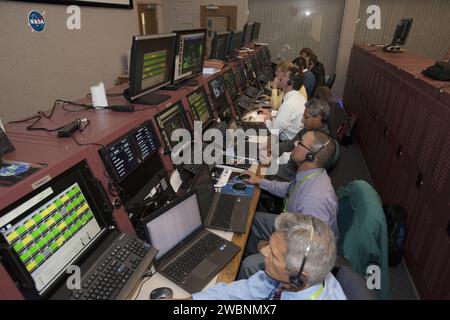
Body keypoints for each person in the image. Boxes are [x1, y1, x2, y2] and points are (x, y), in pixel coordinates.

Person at [238, 129, 338, 279]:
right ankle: (247, 253)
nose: (295, 143)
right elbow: (289, 189)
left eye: (301, 143)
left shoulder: (314, 200)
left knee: (248, 265)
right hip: (293, 226)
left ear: (311, 156)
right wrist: (260, 181)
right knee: (253, 219)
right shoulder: (309, 174)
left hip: (305, 254)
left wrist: (270, 248)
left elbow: (308, 249)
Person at [192, 213, 346, 300]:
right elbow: (242, 291)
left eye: (272, 253)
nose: (263, 251)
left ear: (297, 277)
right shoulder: (292, 279)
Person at [258, 66, 306, 142]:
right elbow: (287, 116)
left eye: (284, 76)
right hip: (294, 138)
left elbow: (274, 130)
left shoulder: (289, 104)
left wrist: (267, 119)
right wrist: (271, 114)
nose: (280, 77)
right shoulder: (299, 97)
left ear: (289, 82)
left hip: (284, 142)